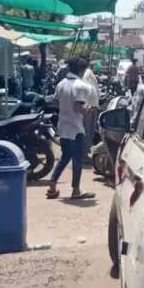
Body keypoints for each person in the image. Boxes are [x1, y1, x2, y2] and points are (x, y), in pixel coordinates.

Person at [46, 56, 95, 201]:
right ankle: (76, 190)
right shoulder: (80, 85)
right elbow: (77, 106)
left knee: (65, 156)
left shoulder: (61, 84)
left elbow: (56, 103)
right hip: (75, 127)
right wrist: (88, 109)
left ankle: (53, 183)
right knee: (77, 159)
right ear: (82, 70)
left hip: (63, 125)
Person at [81, 60, 101, 152]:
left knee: (89, 131)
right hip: (91, 105)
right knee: (89, 131)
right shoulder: (88, 73)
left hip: (91, 105)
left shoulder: (88, 74)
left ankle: (86, 150)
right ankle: (85, 152)